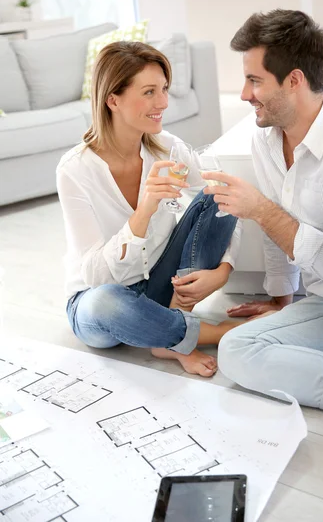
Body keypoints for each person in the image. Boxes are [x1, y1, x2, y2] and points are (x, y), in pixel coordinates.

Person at [201, 10, 323, 512]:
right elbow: (278, 235)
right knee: (236, 352)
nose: (245, 94)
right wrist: (281, 301)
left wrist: (261, 210)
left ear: (294, 81)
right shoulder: (266, 139)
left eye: (253, 80)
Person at [57, 41, 242, 378]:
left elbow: (225, 203)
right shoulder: (75, 170)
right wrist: (143, 212)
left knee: (220, 192)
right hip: (98, 305)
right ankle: (209, 333)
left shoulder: (170, 149)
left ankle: (169, 329)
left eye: (164, 89)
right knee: (105, 302)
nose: (163, 103)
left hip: (163, 286)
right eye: (149, 92)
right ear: (113, 99)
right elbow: (95, 277)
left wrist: (224, 269)